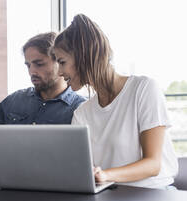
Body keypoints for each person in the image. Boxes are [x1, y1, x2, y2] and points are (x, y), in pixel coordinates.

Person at [53, 14, 178, 188]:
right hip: (110, 196)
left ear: (83, 56)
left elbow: (153, 164)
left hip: (154, 194)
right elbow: (82, 169)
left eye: (62, 62)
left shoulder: (143, 89)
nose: (59, 72)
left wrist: (105, 175)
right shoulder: (82, 113)